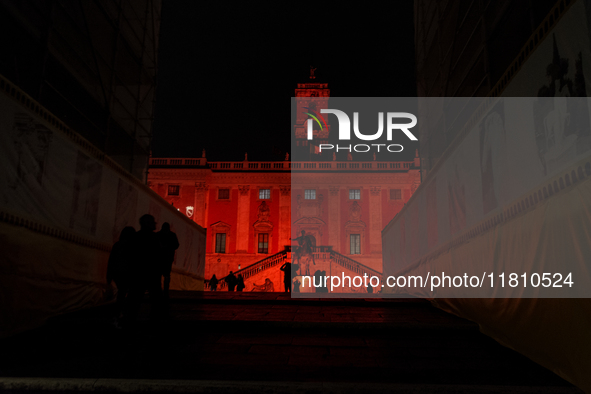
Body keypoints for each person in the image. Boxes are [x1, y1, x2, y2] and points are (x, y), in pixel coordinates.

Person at [126, 214, 163, 321]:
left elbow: (130, 256)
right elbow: (159, 256)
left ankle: (130, 320)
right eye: (153, 222)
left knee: (134, 299)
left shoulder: (135, 237)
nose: (155, 224)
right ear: (147, 224)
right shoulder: (154, 238)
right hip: (151, 273)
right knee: (156, 299)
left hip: (138, 272)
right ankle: (154, 321)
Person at [107, 226, 136, 320]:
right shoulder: (132, 246)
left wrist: (109, 275)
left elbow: (111, 261)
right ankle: (124, 313)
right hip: (128, 272)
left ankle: (118, 313)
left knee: (121, 292)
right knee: (128, 293)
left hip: (118, 273)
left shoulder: (117, 245)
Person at [157, 222, 179, 299]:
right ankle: (165, 292)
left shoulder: (158, 235)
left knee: (159, 275)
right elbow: (176, 245)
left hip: (159, 259)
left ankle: (159, 292)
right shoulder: (172, 235)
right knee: (166, 276)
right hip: (168, 258)